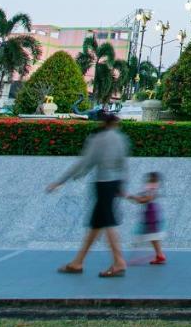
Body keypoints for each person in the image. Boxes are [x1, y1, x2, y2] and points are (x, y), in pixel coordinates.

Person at [47, 110, 130, 277]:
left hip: (103, 183)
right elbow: (123, 164)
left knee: (107, 223)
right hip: (113, 184)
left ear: (102, 123)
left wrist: (61, 181)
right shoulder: (121, 138)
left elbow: (85, 162)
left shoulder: (99, 139)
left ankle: (119, 262)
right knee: (97, 225)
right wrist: (121, 186)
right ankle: (77, 262)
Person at [127, 171, 166, 265]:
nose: (148, 180)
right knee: (153, 236)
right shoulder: (152, 187)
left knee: (150, 235)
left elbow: (147, 198)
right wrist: (135, 197)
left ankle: (158, 255)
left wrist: (135, 198)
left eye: (150, 178)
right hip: (150, 212)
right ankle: (159, 255)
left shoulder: (152, 187)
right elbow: (144, 196)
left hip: (151, 213)